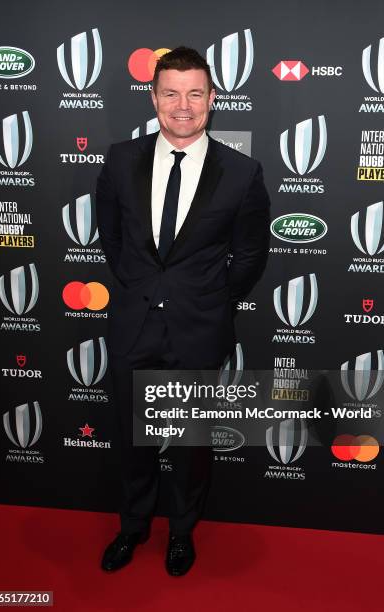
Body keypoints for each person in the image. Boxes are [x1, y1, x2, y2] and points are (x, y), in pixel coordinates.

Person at [96, 46, 270, 576]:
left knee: (190, 446)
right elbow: (113, 238)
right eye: (171, 93)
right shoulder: (120, 159)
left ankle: (181, 532)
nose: (183, 106)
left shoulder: (241, 172)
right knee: (132, 439)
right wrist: (139, 288)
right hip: (134, 323)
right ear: (153, 98)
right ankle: (132, 527)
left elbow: (250, 256)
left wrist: (207, 297)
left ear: (212, 99)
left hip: (198, 328)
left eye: (195, 93)